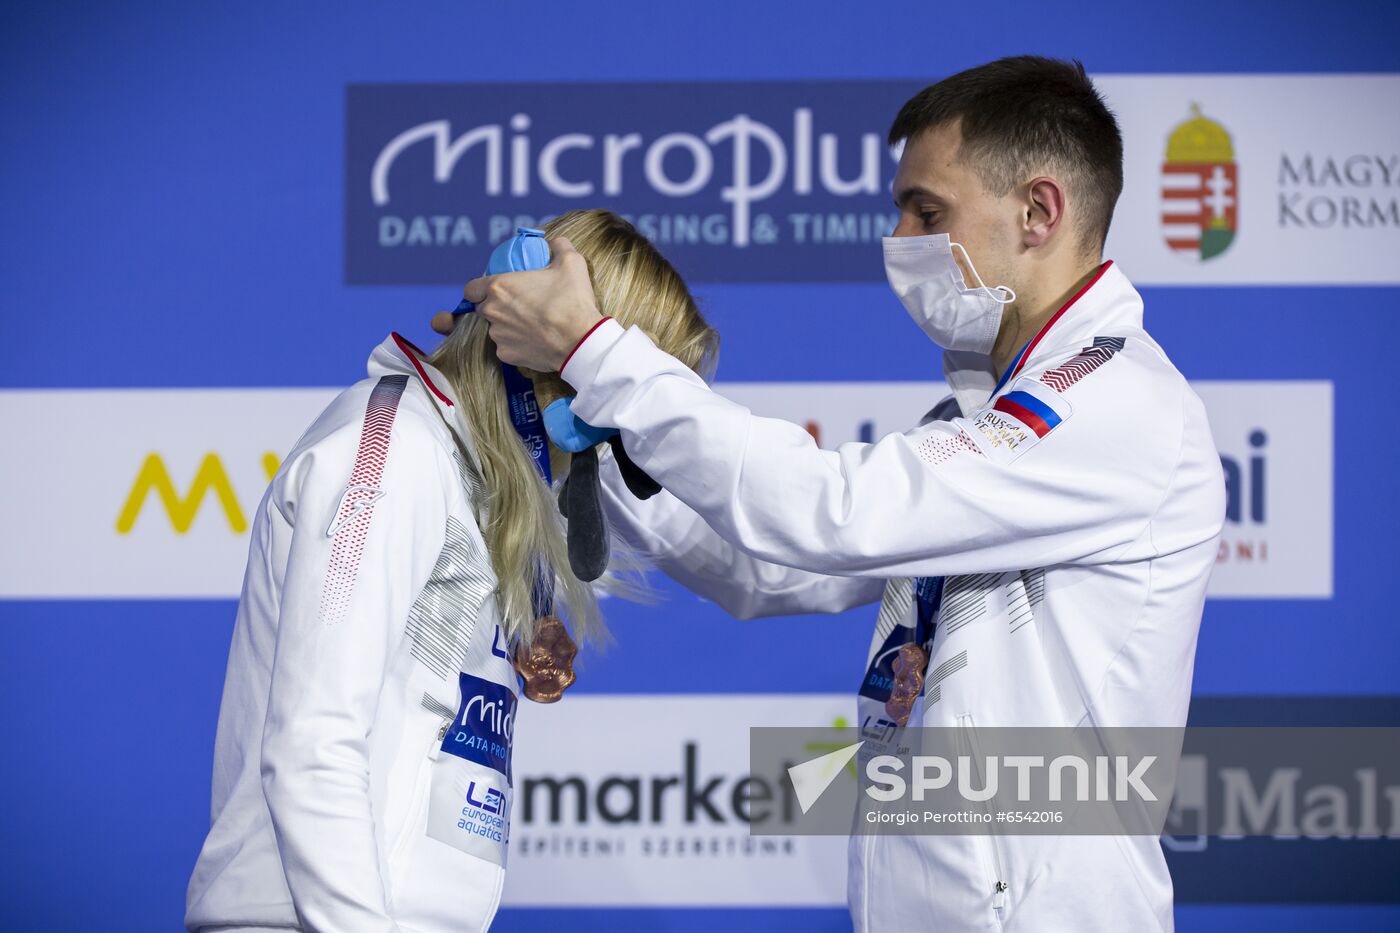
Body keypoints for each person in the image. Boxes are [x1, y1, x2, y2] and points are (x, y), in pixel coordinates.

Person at [458, 57, 1227, 931]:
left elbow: (831, 512)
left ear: (1039, 211)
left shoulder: (1111, 401)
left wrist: (594, 351)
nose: (899, 238)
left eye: (927, 212)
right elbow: (774, 571)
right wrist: (603, 450)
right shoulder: (984, 409)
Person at [185, 209, 717, 933]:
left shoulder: (480, 477)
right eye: (628, 387)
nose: (635, 428)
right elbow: (313, 742)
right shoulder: (394, 452)